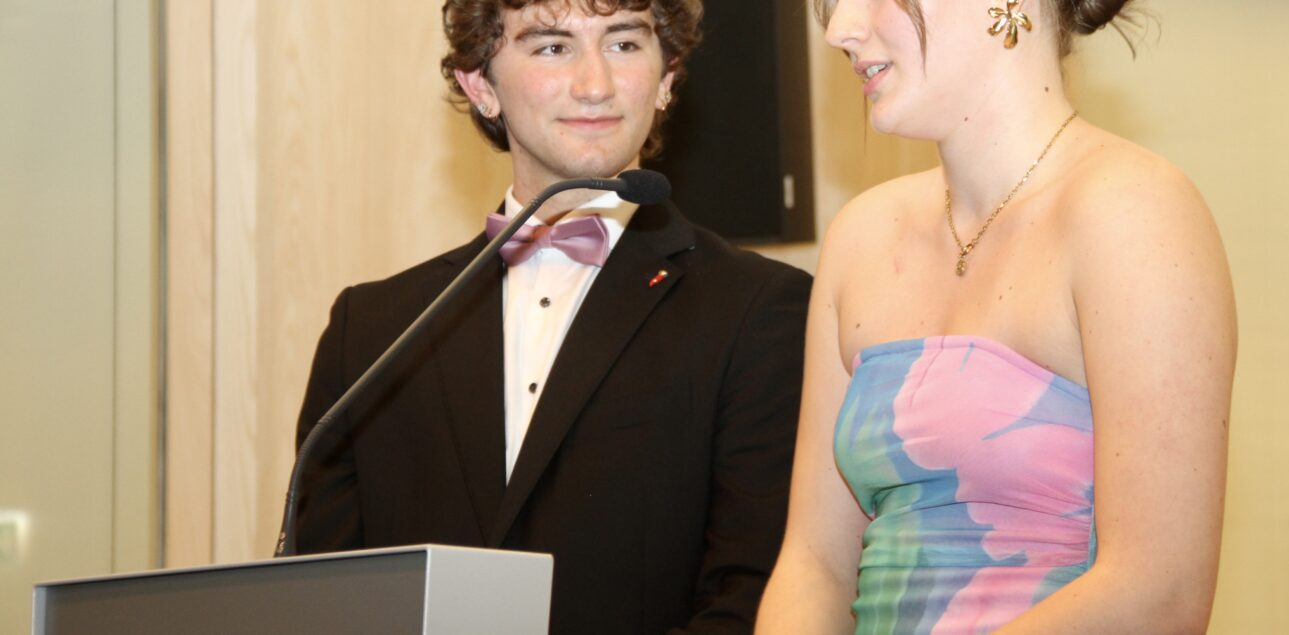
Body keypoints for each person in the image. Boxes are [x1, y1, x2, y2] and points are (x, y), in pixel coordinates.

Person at [289, 1, 811, 633]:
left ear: (667, 78)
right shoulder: (371, 330)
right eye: (552, 47)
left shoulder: (760, 310)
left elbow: (754, 597)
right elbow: (324, 601)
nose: (595, 84)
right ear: (480, 86)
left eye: (623, 44)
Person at [757, 0, 1235, 632]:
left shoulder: (1133, 210)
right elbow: (815, 562)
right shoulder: (860, 234)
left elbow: (1159, 592)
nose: (841, 29)